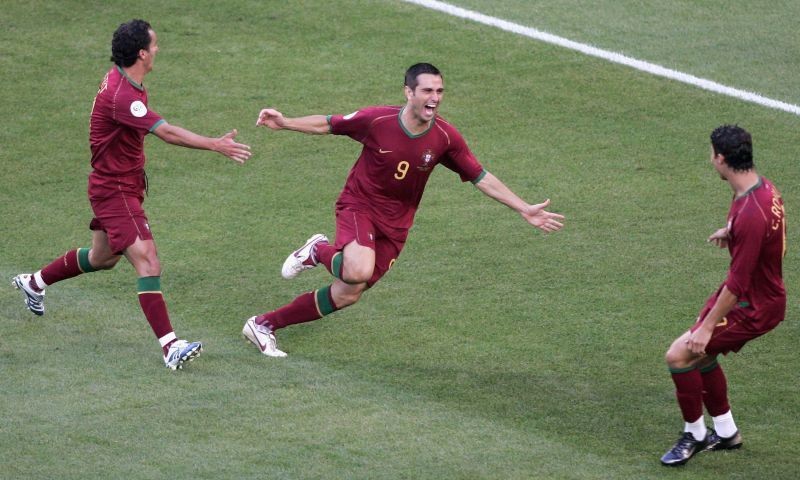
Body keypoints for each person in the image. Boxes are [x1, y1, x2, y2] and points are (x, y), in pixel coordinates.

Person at [243, 62, 565, 357]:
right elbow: (328, 124)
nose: (434, 98)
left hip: (396, 227)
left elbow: (480, 176)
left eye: (439, 91)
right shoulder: (378, 120)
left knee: (347, 294)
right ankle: (317, 251)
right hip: (360, 206)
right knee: (357, 270)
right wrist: (285, 123)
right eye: (427, 90)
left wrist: (524, 208)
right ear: (409, 92)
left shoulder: (445, 138)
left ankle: (264, 324)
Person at [12, 19, 252, 370]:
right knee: (147, 261)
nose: (157, 50)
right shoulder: (123, 96)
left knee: (102, 257)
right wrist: (215, 145)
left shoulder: (123, 79)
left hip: (118, 185)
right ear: (141, 53)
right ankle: (170, 346)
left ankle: (34, 282)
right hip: (116, 190)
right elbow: (167, 132)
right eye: (154, 45)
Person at [660, 125, 786, 466]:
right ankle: (727, 432)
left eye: (711, 154)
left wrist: (707, 327)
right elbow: (766, 234)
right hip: (756, 295)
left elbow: (738, 283)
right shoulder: (761, 189)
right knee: (701, 355)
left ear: (721, 158)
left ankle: (695, 434)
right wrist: (732, 232)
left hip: (754, 306)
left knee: (679, 356)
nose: (710, 160)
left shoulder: (750, 213)